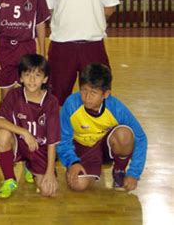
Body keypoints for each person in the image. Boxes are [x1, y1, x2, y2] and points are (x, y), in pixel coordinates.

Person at [57, 63, 147, 192]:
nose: (87, 97)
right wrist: (72, 162)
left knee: (125, 134)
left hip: (105, 147)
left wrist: (134, 173)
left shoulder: (116, 108)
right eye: (84, 90)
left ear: (106, 94)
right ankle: (82, 167)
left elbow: (140, 137)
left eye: (93, 92)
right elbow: (62, 138)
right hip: (81, 150)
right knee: (78, 185)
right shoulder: (71, 104)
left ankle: (119, 169)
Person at [0, 54, 59, 198]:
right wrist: (24, 132)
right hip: (20, 144)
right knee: (3, 134)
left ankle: (30, 166)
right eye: (27, 75)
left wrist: (49, 172)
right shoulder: (14, 95)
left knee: (48, 192)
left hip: (39, 148)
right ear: (21, 78)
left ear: (45, 79)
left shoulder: (51, 102)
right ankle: (9, 179)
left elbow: (53, 141)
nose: (32, 80)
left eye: (37, 75)